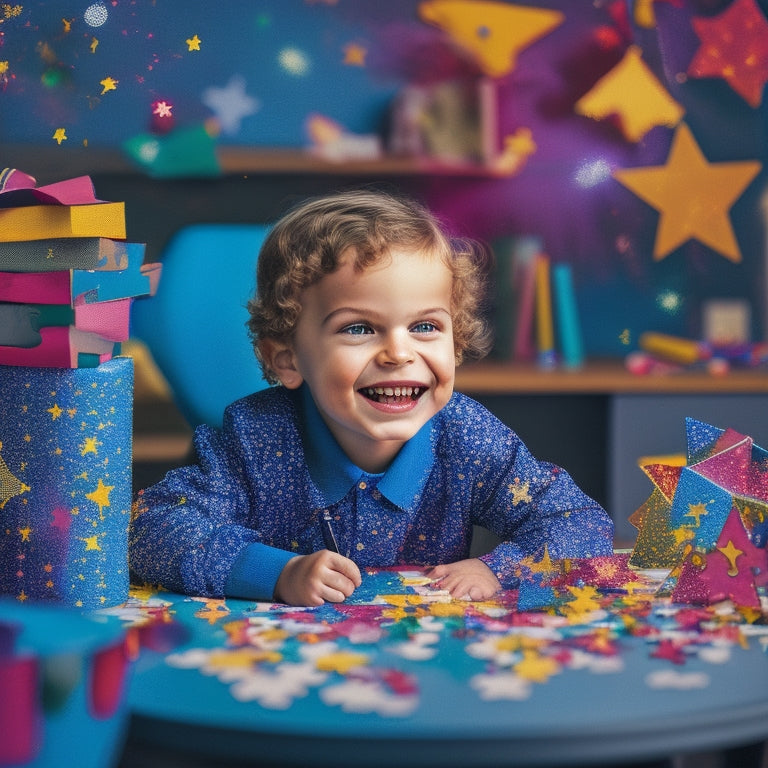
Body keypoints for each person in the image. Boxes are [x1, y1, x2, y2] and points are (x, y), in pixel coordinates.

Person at [129, 189, 614, 606]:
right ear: (288, 360)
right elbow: (149, 529)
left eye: (425, 326)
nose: (399, 353)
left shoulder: (469, 439)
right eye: (359, 328)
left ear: (456, 341)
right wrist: (275, 574)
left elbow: (579, 523)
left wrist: (497, 570)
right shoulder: (256, 440)